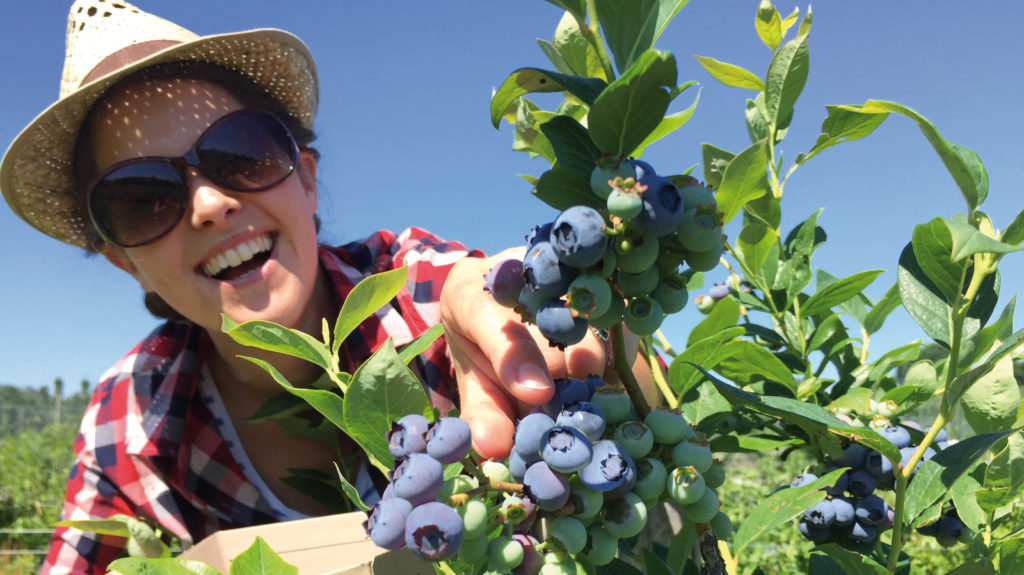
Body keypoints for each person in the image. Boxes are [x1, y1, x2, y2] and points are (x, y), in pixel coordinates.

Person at [0, 1, 656, 573]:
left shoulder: (413, 298)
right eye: (143, 197)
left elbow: (477, 297)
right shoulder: (130, 415)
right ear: (125, 262)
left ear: (306, 180)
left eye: (239, 153)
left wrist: (573, 319)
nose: (208, 204)